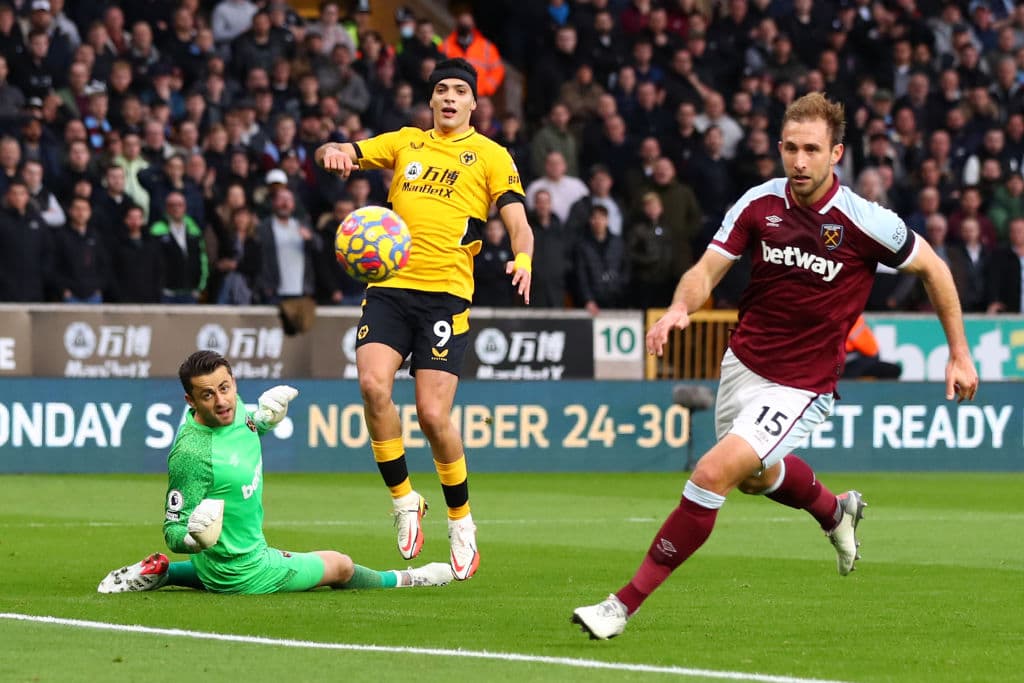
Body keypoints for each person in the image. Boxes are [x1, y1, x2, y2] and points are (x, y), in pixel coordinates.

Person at [571, 93, 979, 640]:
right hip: (743, 364)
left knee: (711, 473)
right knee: (755, 478)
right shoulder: (759, 203)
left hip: (802, 385)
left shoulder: (865, 221)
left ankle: (620, 606)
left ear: (836, 153)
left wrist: (958, 353)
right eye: (791, 148)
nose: (800, 161)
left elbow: (935, 269)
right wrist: (677, 308)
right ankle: (835, 511)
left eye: (812, 149)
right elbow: (707, 269)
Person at [315, 58, 533, 581]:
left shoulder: (490, 155)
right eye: (442, 90)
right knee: (372, 385)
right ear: (431, 101)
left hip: (446, 298)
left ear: (475, 103)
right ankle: (405, 501)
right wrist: (333, 154)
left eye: (460, 90)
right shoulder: (406, 142)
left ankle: (461, 521)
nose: (450, 98)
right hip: (390, 289)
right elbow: (341, 148)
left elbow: (519, 222)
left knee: (433, 416)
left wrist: (523, 257)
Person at [97, 350, 454, 594]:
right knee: (341, 566)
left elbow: (242, 430)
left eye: (225, 388)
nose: (221, 401)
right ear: (190, 402)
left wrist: (264, 420)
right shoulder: (191, 454)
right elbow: (173, 528)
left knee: (219, 564)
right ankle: (410, 579)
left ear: (233, 381)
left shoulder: (237, 412)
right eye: (207, 395)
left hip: (217, 560)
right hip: (243, 571)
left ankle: (163, 572)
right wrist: (192, 541)